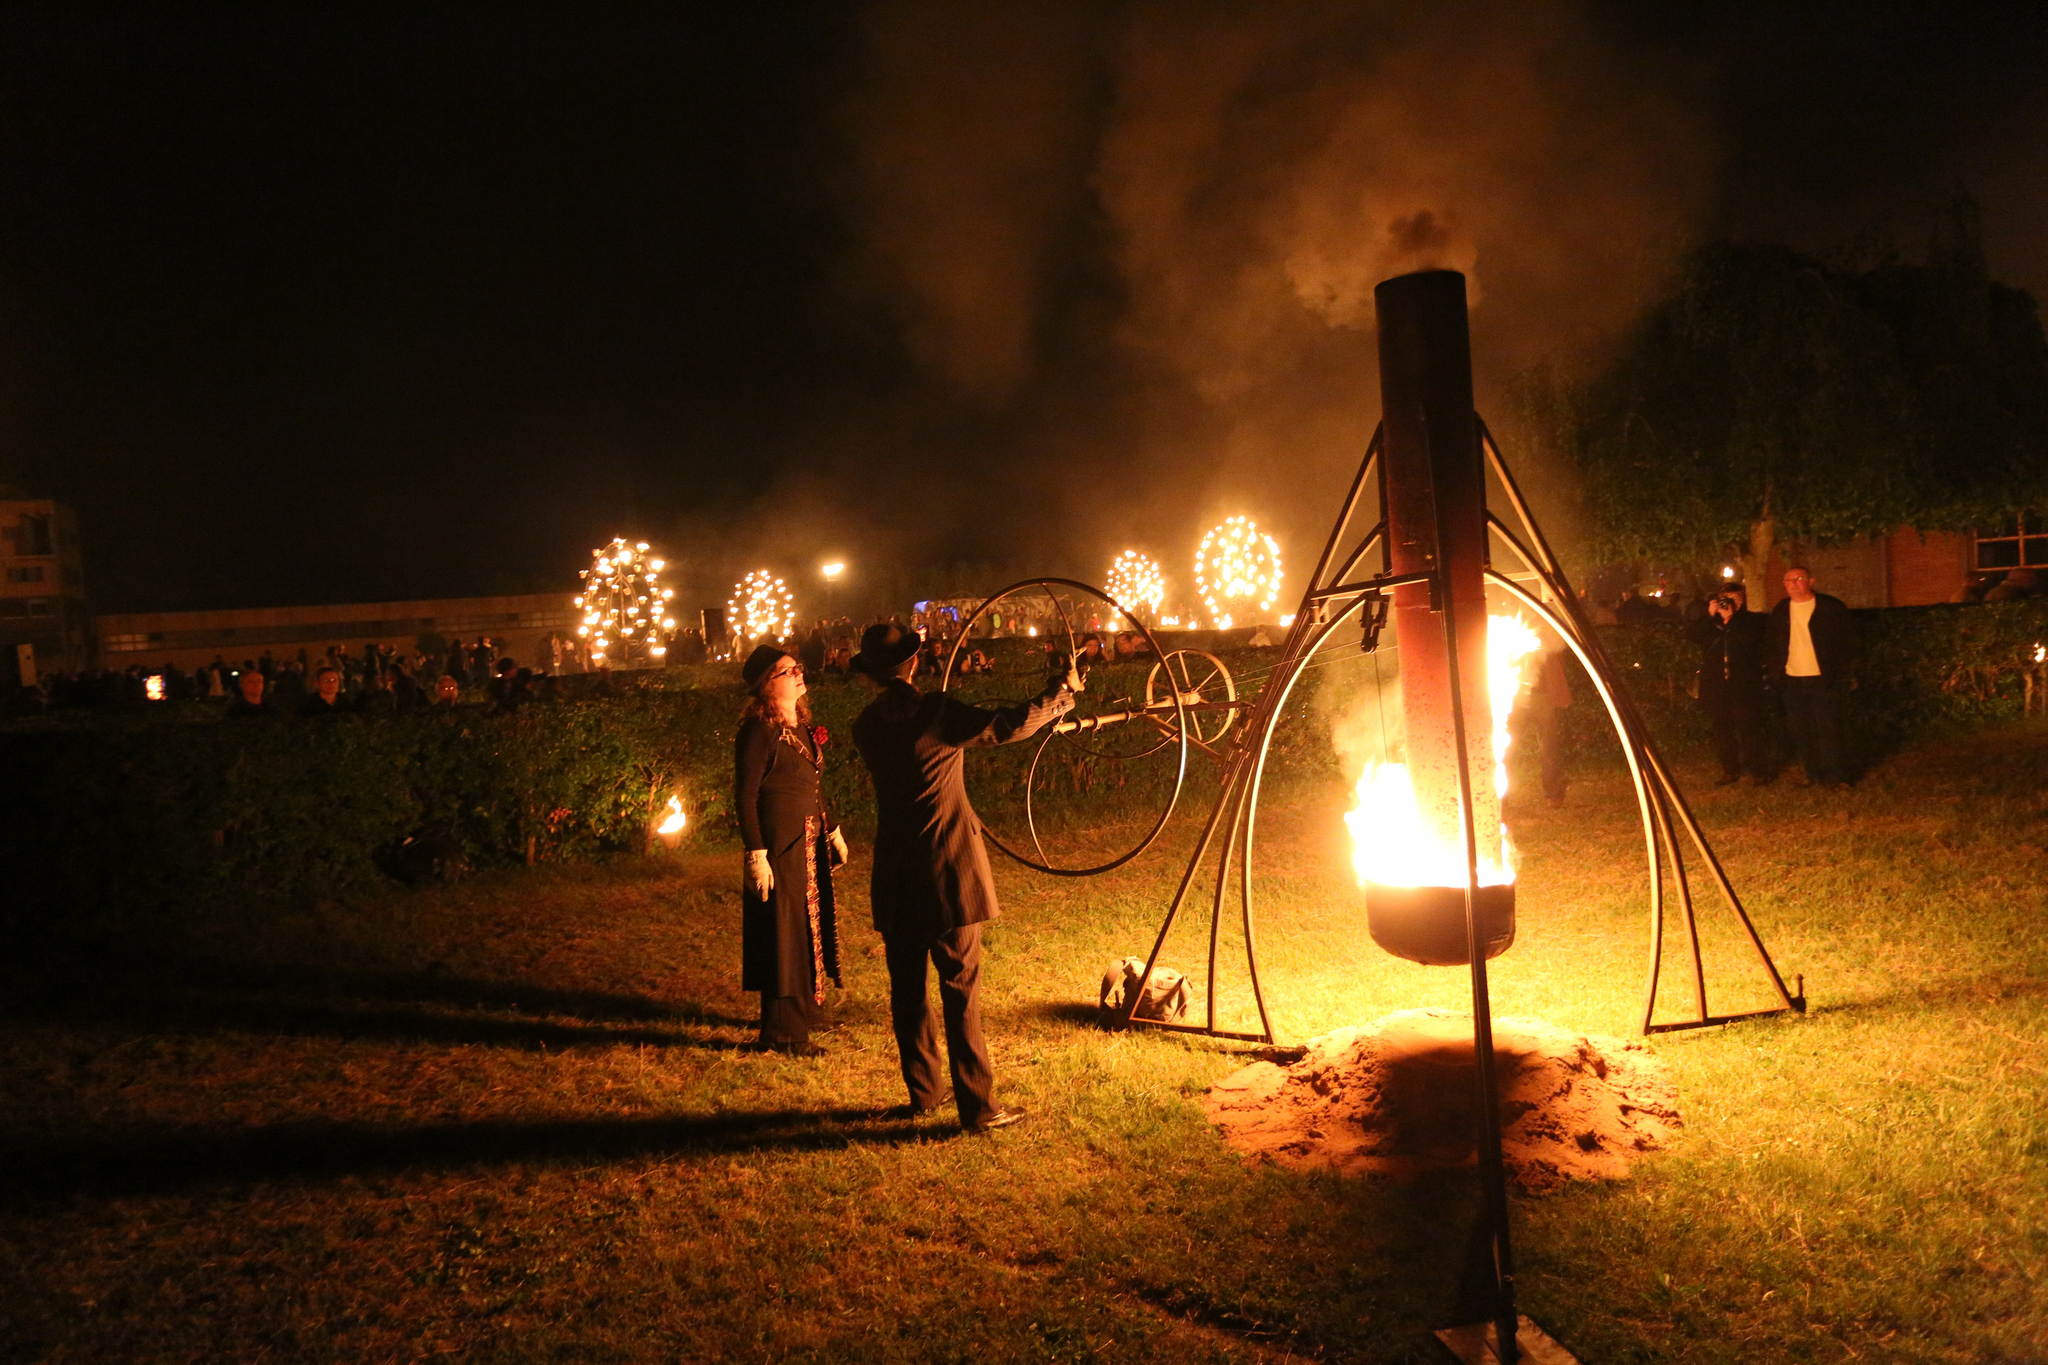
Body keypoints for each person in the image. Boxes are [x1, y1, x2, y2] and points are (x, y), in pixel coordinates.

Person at [850, 621, 1079, 1133]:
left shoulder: (865, 725)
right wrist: (1060, 694)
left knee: (907, 990)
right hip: (947, 869)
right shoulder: (936, 712)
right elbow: (1006, 725)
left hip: (896, 872)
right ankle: (977, 1107)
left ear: (870, 675)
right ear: (913, 662)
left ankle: (924, 1094)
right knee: (960, 987)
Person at [733, 646, 846, 1057]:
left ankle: (805, 1010)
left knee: (808, 926)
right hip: (779, 845)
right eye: (787, 670)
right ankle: (783, 1033)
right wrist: (756, 852)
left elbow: (811, 785)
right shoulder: (758, 731)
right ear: (767, 684)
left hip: (807, 842)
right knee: (784, 933)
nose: (799, 674)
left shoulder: (800, 727)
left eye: (798, 668)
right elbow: (745, 795)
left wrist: (832, 830)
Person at [1767, 566, 1857, 786]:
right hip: (1793, 679)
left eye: (1798, 579)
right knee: (1802, 729)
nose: (1793, 584)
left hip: (1823, 678)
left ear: (1811, 581)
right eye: (1788, 580)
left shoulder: (1830, 608)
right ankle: (1813, 773)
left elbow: (1847, 642)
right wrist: (1776, 672)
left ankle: (1837, 776)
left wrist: (1843, 673)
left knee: (1829, 728)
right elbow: (1772, 644)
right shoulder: (1781, 610)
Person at [1690, 582, 1771, 785]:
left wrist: (1731, 619)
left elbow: (1751, 642)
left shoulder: (1752, 621)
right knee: (1721, 728)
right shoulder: (1712, 623)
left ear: (1742, 600)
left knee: (1749, 727)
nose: (1728, 603)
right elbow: (1693, 636)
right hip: (1716, 685)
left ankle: (1758, 770)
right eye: (1725, 598)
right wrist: (1710, 615)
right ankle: (1730, 769)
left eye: (1734, 599)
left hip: (1744, 684)